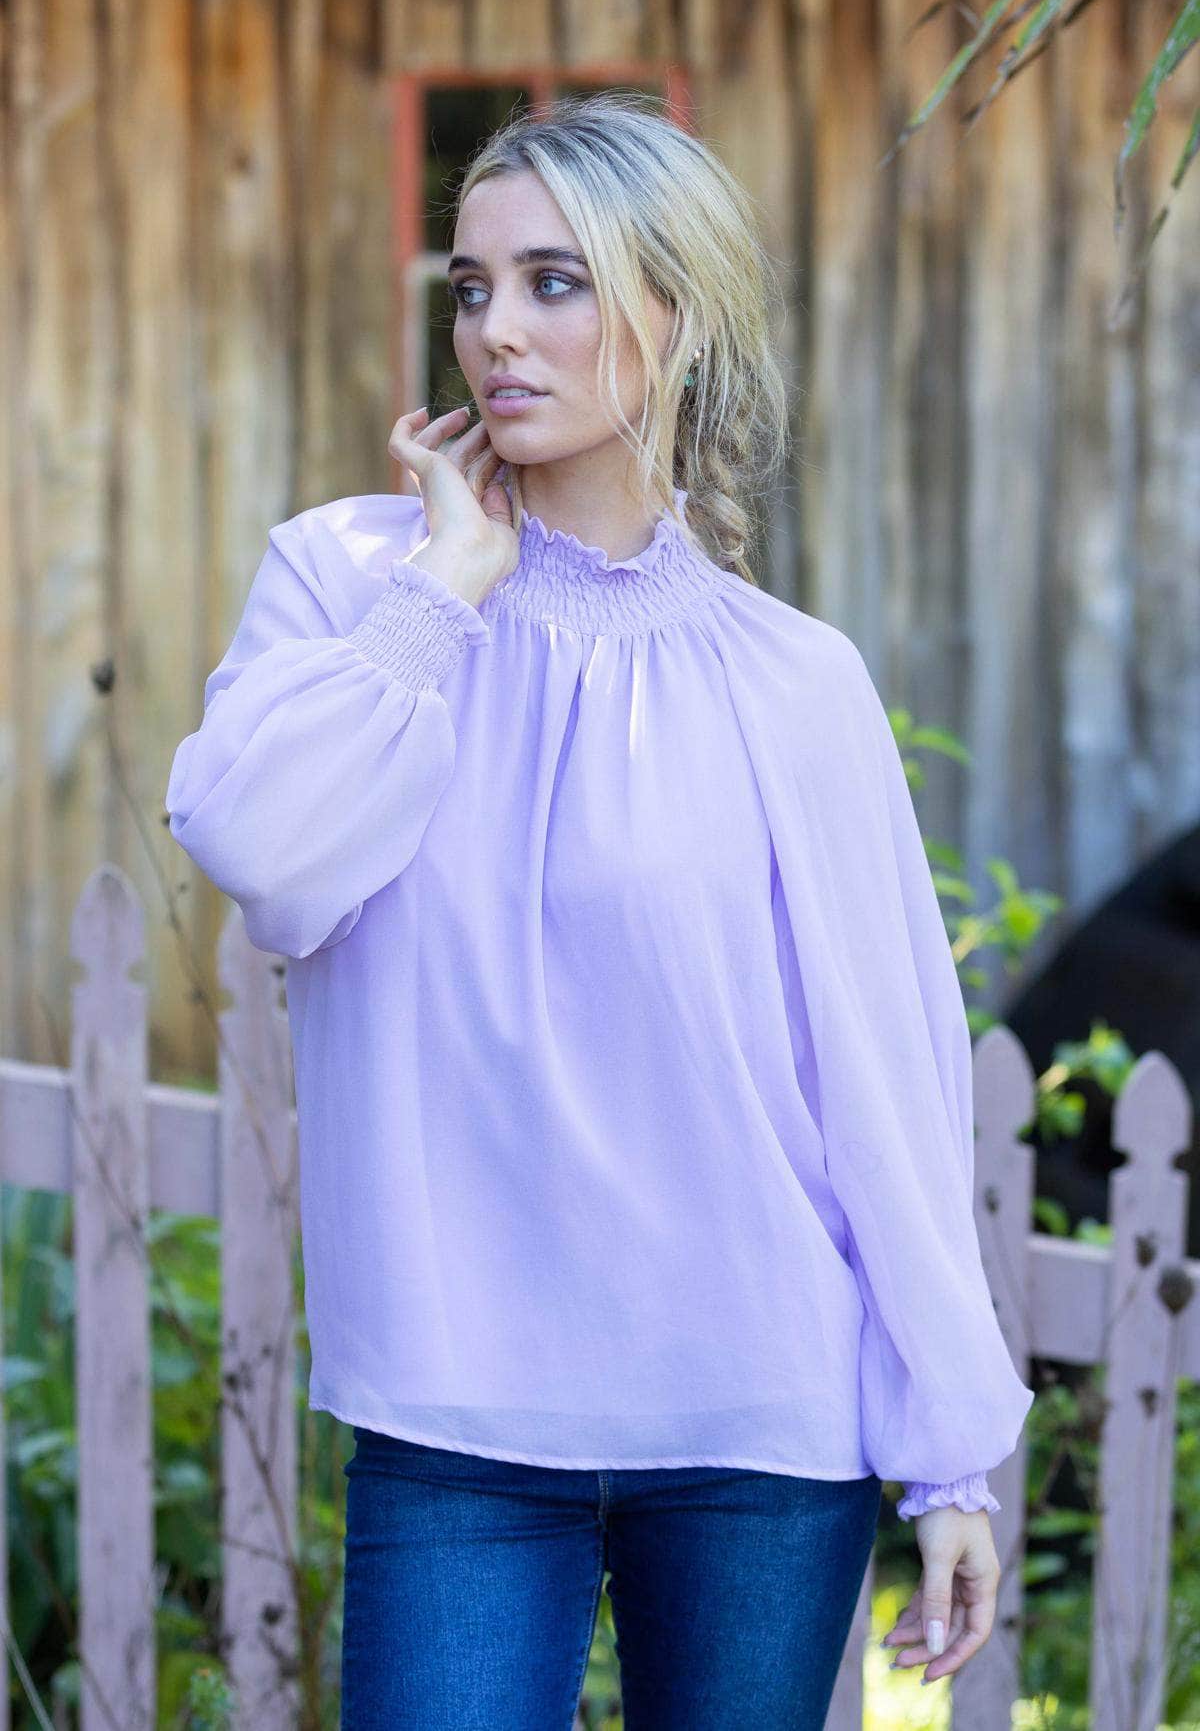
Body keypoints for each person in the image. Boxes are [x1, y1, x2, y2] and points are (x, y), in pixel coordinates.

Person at [166, 90, 1034, 1728]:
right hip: (458, 1418)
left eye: (554, 282)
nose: (496, 329)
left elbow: (883, 1083)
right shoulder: (352, 587)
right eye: (473, 286)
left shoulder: (794, 683)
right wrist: (445, 593)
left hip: (761, 1421)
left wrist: (948, 1464)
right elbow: (264, 852)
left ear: (677, 315)